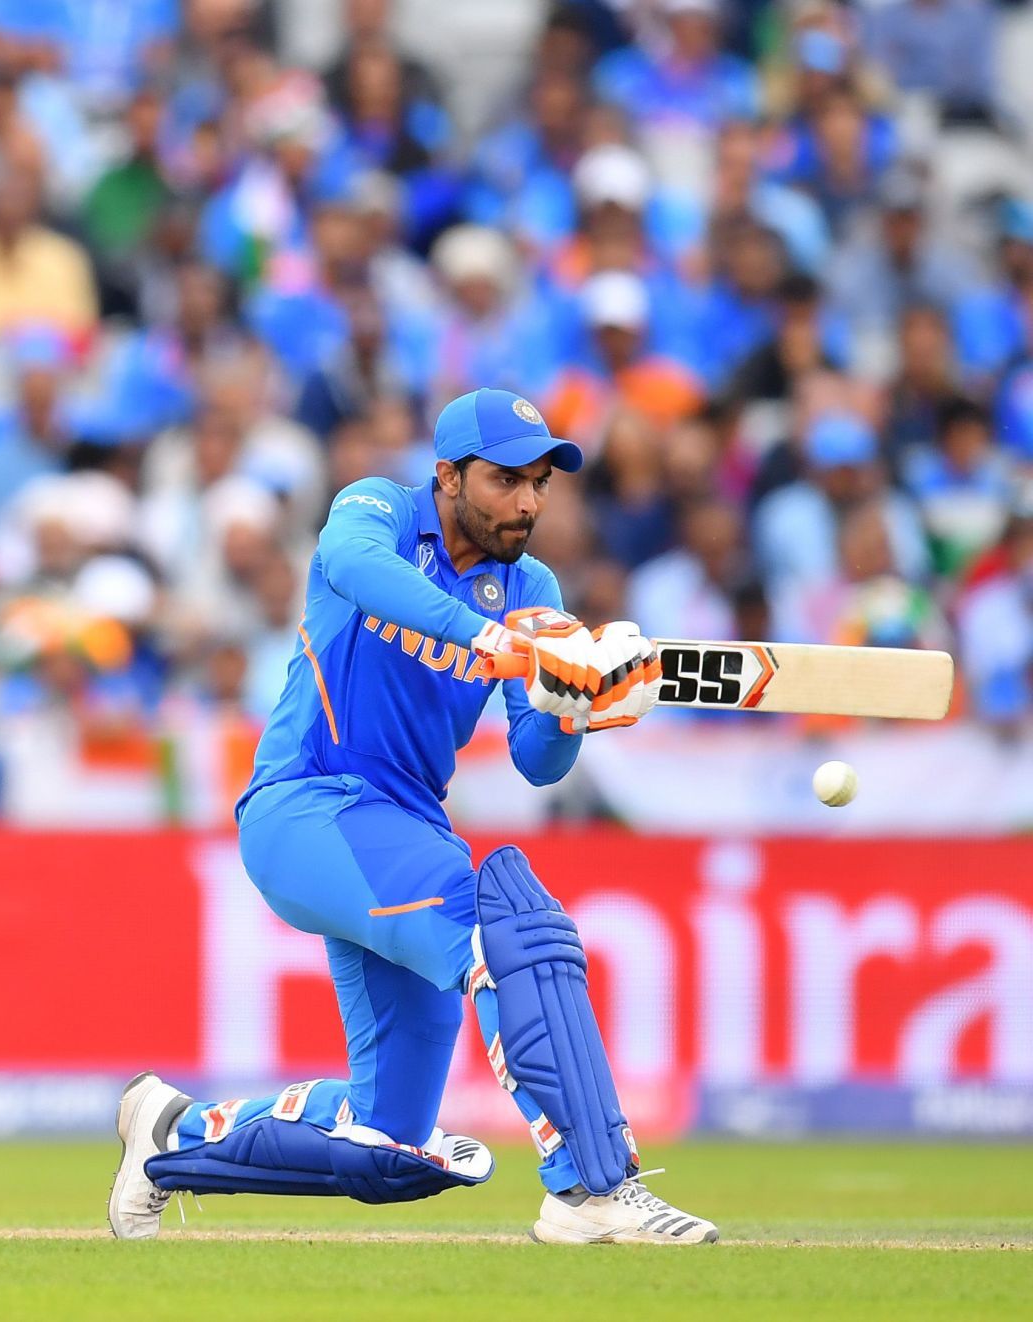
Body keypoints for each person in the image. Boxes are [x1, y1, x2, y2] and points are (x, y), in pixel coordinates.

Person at [107, 389, 717, 1245]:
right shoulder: (378, 511)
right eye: (506, 480)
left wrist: (579, 707)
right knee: (512, 931)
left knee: (390, 1147)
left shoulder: (531, 586)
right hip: (308, 805)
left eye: (540, 482)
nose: (529, 502)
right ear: (448, 475)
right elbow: (359, 572)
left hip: (408, 826)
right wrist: (495, 640)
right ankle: (592, 1189)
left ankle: (170, 1136)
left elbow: (537, 758)